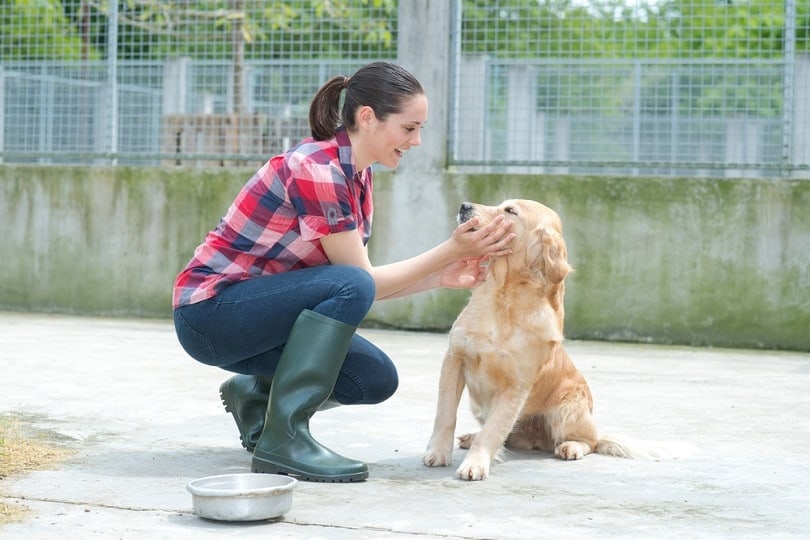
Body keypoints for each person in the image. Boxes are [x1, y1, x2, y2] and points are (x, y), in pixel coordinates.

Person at [172, 61, 514, 483]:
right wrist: (449, 251)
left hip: (258, 317)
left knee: (373, 379)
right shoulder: (318, 169)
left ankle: (257, 395)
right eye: (409, 128)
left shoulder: (358, 175)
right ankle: (284, 438)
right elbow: (355, 281)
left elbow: (347, 290)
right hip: (210, 313)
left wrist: (437, 277)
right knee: (352, 283)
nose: (418, 141)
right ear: (367, 117)